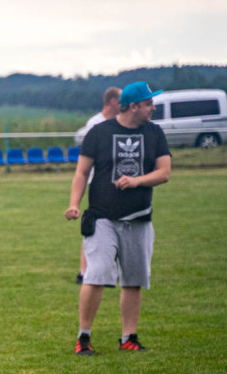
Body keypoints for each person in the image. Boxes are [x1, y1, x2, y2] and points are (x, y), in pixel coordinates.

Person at [65, 81, 171, 355]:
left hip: (139, 219)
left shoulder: (155, 133)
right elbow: (81, 173)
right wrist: (74, 204)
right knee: (97, 274)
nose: (153, 107)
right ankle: (83, 338)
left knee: (134, 279)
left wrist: (137, 182)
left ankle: (128, 337)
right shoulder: (99, 133)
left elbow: (164, 172)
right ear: (134, 106)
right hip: (102, 218)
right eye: (149, 103)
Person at [76, 87, 122, 284]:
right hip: (97, 185)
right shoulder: (94, 123)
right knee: (92, 227)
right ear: (112, 101)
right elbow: (86, 160)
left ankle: (116, 269)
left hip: (119, 185)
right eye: (122, 100)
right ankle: (84, 271)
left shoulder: (120, 122)